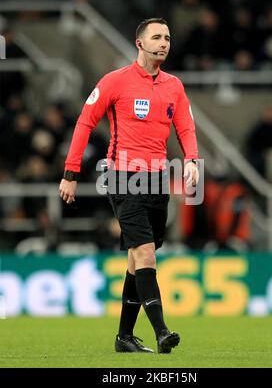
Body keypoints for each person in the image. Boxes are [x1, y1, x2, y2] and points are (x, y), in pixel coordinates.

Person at [59, 18, 199, 354]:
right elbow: (85, 122)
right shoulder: (115, 81)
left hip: (157, 179)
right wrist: (70, 172)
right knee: (146, 253)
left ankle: (124, 337)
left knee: (137, 260)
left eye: (167, 37)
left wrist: (192, 159)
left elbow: (185, 127)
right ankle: (162, 331)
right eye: (156, 37)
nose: (164, 42)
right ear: (139, 43)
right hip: (122, 177)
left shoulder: (174, 86)